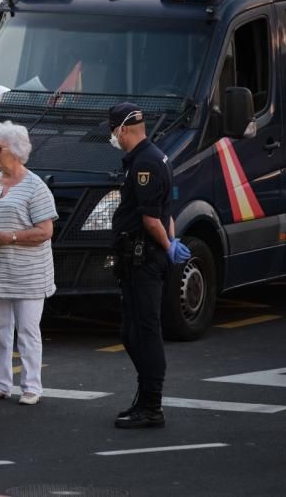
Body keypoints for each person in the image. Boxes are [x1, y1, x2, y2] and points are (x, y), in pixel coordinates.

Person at [108, 102, 191, 429]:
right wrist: (170, 242)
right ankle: (144, 398)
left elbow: (151, 217)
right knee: (131, 333)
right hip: (138, 258)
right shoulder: (150, 158)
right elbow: (165, 211)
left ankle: (151, 405)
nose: (111, 136)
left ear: (123, 130)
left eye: (112, 130)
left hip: (143, 260)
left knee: (145, 332)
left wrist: (169, 245)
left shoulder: (146, 163)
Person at [0, 122, 57, 406]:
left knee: (28, 331)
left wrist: (11, 236)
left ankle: (31, 386)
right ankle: (1, 383)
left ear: (16, 151)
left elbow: (45, 231)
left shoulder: (35, 187)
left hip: (28, 275)